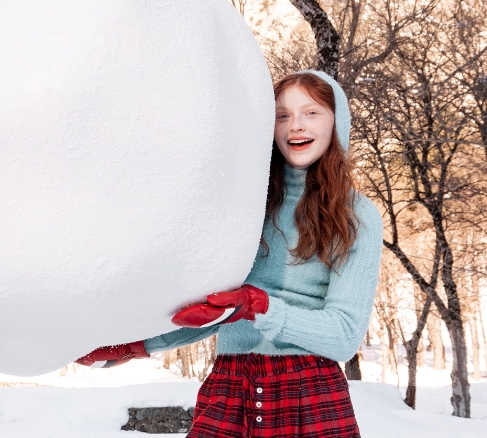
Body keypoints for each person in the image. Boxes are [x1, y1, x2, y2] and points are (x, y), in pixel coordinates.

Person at [76, 71, 382, 438]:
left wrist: (259, 306)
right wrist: (137, 345)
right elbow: (215, 310)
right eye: (282, 115)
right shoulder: (248, 205)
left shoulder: (356, 215)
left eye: (311, 112)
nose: (296, 126)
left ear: (337, 122)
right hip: (231, 385)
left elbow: (344, 336)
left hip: (308, 393)